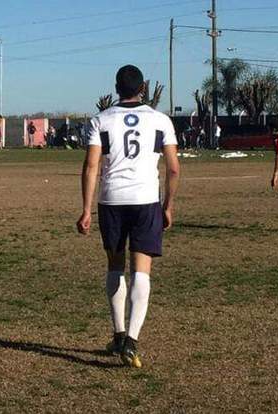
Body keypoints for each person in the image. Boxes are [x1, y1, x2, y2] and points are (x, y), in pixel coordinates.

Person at [77, 65, 180, 368]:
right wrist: (168, 205)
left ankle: (119, 334)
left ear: (116, 88)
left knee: (114, 265)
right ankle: (131, 342)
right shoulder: (160, 120)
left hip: (111, 200)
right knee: (141, 271)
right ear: (143, 88)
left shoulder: (100, 120)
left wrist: (86, 209)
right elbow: (174, 168)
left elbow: (91, 166)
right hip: (146, 200)